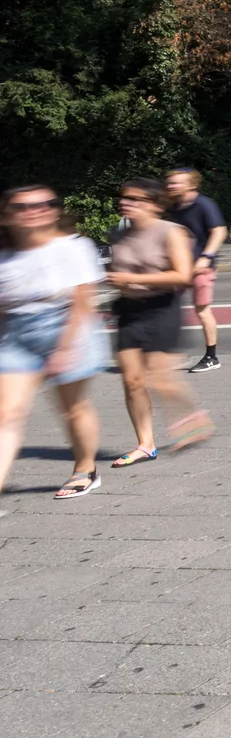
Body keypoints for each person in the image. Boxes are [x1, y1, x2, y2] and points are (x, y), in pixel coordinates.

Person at [0, 186, 108, 507]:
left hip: (66, 328)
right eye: (24, 206)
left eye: (47, 203)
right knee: (7, 413)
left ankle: (85, 469)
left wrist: (64, 349)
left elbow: (82, 302)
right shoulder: (5, 254)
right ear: (6, 215)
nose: (37, 209)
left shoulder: (73, 247)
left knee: (72, 407)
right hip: (17, 334)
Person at [108, 177, 209, 466]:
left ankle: (193, 417)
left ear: (154, 205)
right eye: (124, 198)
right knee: (132, 381)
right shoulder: (118, 233)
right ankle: (145, 444)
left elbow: (181, 275)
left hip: (162, 307)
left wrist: (132, 278)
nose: (125, 203)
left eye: (134, 199)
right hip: (128, 309)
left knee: (161, 380)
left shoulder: (171, 232)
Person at [165, 169, 227, 373]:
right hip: (178, 268)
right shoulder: (173, 207)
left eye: (176, 183)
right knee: (165, 306)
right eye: (170, 183)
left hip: (201, 269)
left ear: (191, 185)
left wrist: (206, 257)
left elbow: (219, 231)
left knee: (202, 311)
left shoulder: (204, 205)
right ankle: (167, 352)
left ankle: (211, 357)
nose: (171, 186)